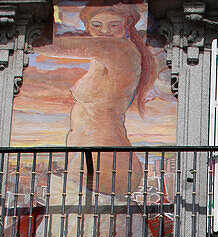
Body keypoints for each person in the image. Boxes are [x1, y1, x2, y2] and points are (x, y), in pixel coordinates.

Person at [43, 3, 158, 195]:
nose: (105, 31)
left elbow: (51, 45)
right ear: (88, 26)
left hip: (104, 159)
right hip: (96, 158)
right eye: (96, 25)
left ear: (127, 24)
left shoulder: (118, 49)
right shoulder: (104, 57)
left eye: (113, 25)